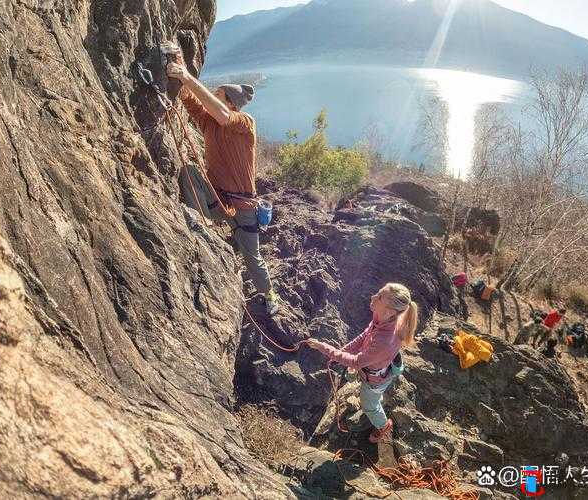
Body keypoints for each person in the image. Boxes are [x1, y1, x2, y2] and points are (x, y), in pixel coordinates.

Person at [167, 55, 279, 314]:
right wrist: (178, 64)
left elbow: (224, 116)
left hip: (243, 207)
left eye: (217, 96)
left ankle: (271, 295)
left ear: (230, 103)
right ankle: (197, 223)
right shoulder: (208, 121)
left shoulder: (244, 123)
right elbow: (191, 100)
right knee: (188, 173)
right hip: (217, 200)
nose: (211, 101)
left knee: (252, 256)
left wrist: (187, 76)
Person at [306, 283, 418, 443]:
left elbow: (356, 362)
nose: (373, 297)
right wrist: (342, 350)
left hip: (374, 382)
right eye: (378, 293)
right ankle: (375, 402)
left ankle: (383, 425)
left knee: (369, 406)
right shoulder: (381, 319)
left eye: (379, 297)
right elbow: (363, 337)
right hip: (374, 370)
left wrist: (323, 347)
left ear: (389, 311)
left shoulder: (384, 340)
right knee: (371, 398)